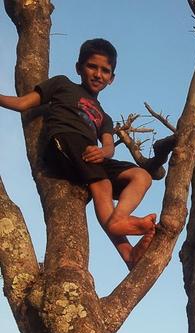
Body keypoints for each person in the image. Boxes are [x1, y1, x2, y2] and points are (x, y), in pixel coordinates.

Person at [0, 38, 167, 270]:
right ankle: (118, 224)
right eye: (92, 67)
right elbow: (22, 103)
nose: (98, 74)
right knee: (103, 187)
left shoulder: (104, 116)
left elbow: (108, 146)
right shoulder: (62, 84)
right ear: (79, 68)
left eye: (105, 71)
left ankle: (127, 249)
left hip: (91, 155)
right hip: (64, 140)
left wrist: (103, 152)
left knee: (142, 177)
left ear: (112, 78)